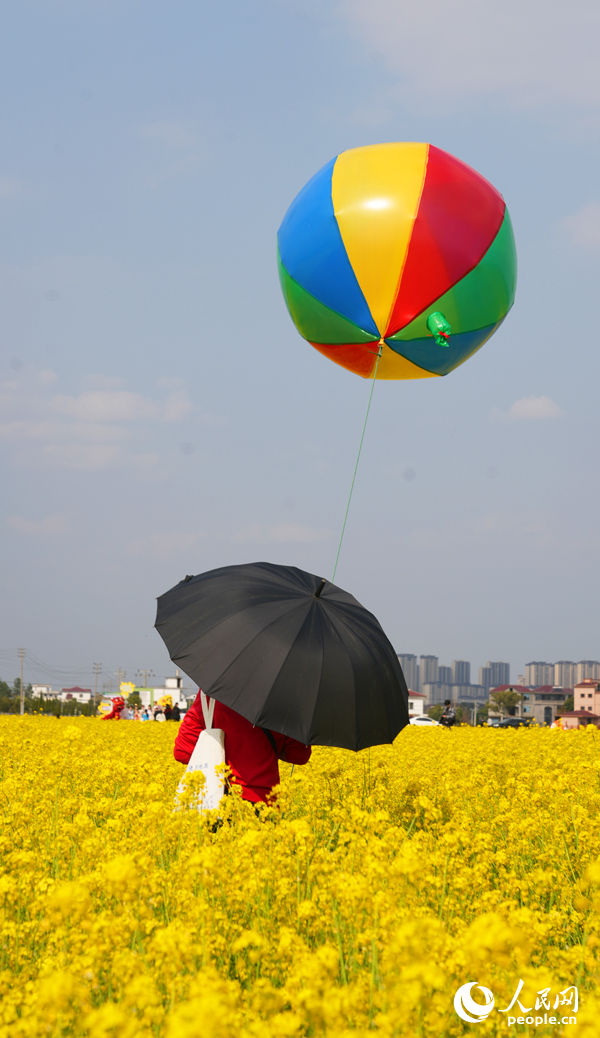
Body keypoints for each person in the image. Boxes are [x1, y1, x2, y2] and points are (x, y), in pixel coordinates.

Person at [174, 690, 311, 805]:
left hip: (216, 798)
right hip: (264, 803)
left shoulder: (211, 691)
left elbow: (182, 752)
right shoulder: (286, 694)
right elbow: (299, 755)